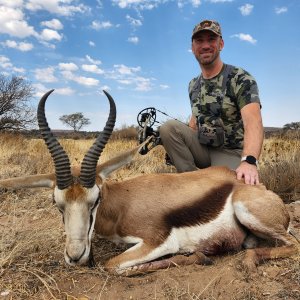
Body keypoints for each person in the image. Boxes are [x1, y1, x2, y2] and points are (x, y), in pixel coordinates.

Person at [159, 20, 264, 185]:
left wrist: (249, 161)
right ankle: (191, 186)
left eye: (211, 39)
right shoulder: (193, 84)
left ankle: (209, 185)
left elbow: (253, 122)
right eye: (199, 41)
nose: (205, 45)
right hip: (205, 149)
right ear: (193, 48)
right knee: (168, 128)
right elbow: (195, 119)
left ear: (221, 44)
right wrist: (178, 146)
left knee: (226, 190)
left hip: (231, 152)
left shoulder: (241, 78)